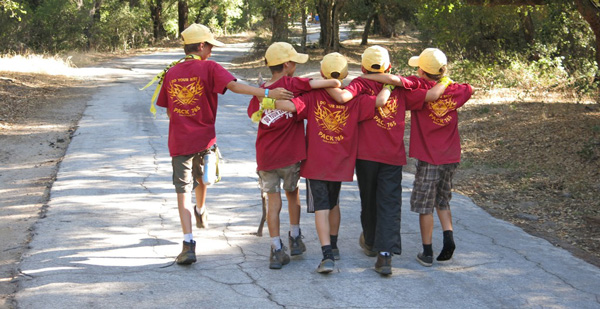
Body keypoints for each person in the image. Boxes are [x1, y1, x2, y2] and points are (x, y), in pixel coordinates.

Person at [155, 23, 293, 265]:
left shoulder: (172, 72)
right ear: (200, 46)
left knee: (183, 190)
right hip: (205, 139)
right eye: (209, 46)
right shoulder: (209, 67)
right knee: (202, 179)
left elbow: (168, 111)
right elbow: (234, 86)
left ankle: (189, 240)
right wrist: (267, 94)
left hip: (178, 142)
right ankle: (197, 217)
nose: (211, 51)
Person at [325, 45, 446, 275]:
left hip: (365, 156)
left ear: (362, 67)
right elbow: (430, 94)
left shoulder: (359, 84)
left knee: (369, 199)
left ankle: (371, 242)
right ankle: (385, 255)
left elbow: (343, 99)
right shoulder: (398, 86)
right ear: (389, 66)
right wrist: (447, 81)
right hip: (392, 155)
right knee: (389, 202)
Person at [247, 42, 341, 270]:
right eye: (295, 63)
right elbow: (325, 82)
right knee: (292, 195)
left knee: (273, 202)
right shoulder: (291, 84)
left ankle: (276, 248)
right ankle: (295, 237)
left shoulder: (261, 90)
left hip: (266, 157)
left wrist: (269, 101)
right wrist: (334, 82)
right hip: (290, 155)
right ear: (287, 65)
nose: (296, 67)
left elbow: (253, 114)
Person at [405, 48, 473, 266]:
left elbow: (410, 89)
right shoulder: (454, 89)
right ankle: (448, 236)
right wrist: (445, 81)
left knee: (425, 205)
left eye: (419, 68)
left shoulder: (418, 91)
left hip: (429, 157)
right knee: (442, 200)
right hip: (451, 156)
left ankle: (426, 251)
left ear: (423, 72)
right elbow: (469, 88)